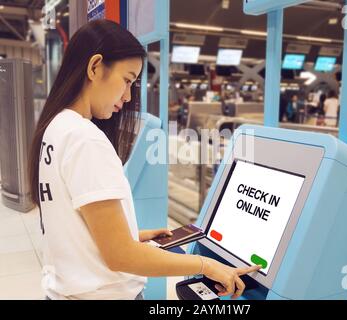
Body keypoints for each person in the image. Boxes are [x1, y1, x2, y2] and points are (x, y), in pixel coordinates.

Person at [28, 20, 260, 300]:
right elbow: (120, 257)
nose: (127, 96)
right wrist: (206, 265)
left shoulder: (56, 127)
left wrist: (131, 235)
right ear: (94, 67)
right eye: (127, 80)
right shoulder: (85, 139)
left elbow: (70, 227)